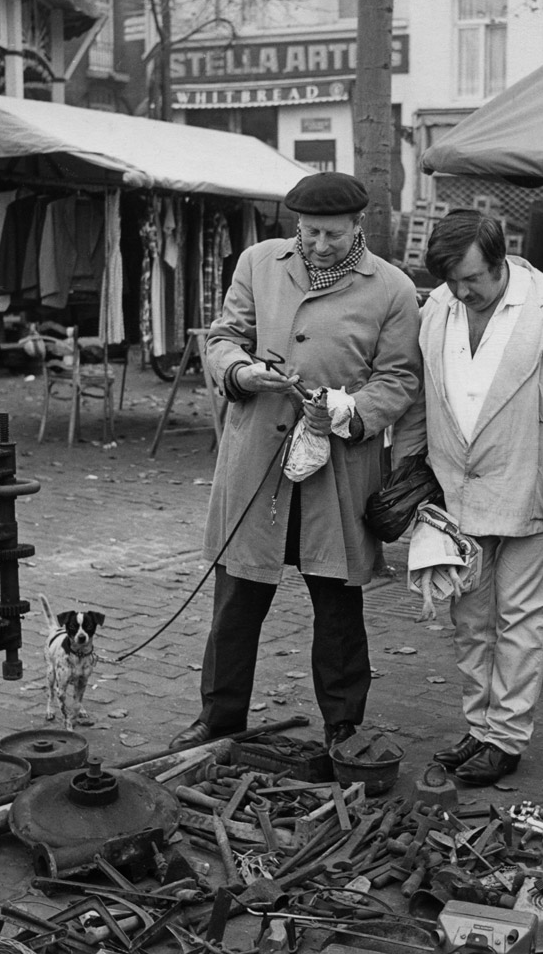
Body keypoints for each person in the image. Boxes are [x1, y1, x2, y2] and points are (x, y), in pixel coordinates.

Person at [169, 171, 424, 751]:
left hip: (337, 465)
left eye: (333, 234)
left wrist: (350, 410)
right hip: (259, 452)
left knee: (337, 603)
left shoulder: (392, 288)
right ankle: (220, 717)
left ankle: (342, 726)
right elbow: (224, 335)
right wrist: (240, 370)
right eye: (310, 232)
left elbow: (400, 377)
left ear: (358, 226)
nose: (319, 244)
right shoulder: (259, 262)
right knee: (237, 595)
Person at [394, 208, 543, 786]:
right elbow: (421, 400)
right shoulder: (438, 306)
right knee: (470, 618)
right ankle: (478, 726)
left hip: (534, 493)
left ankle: (506, 738)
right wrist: (410, 475)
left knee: (523, 619)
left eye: (473, 280)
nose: (463, 292)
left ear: (502, 259)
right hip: (457, 495)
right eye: (452, 281)